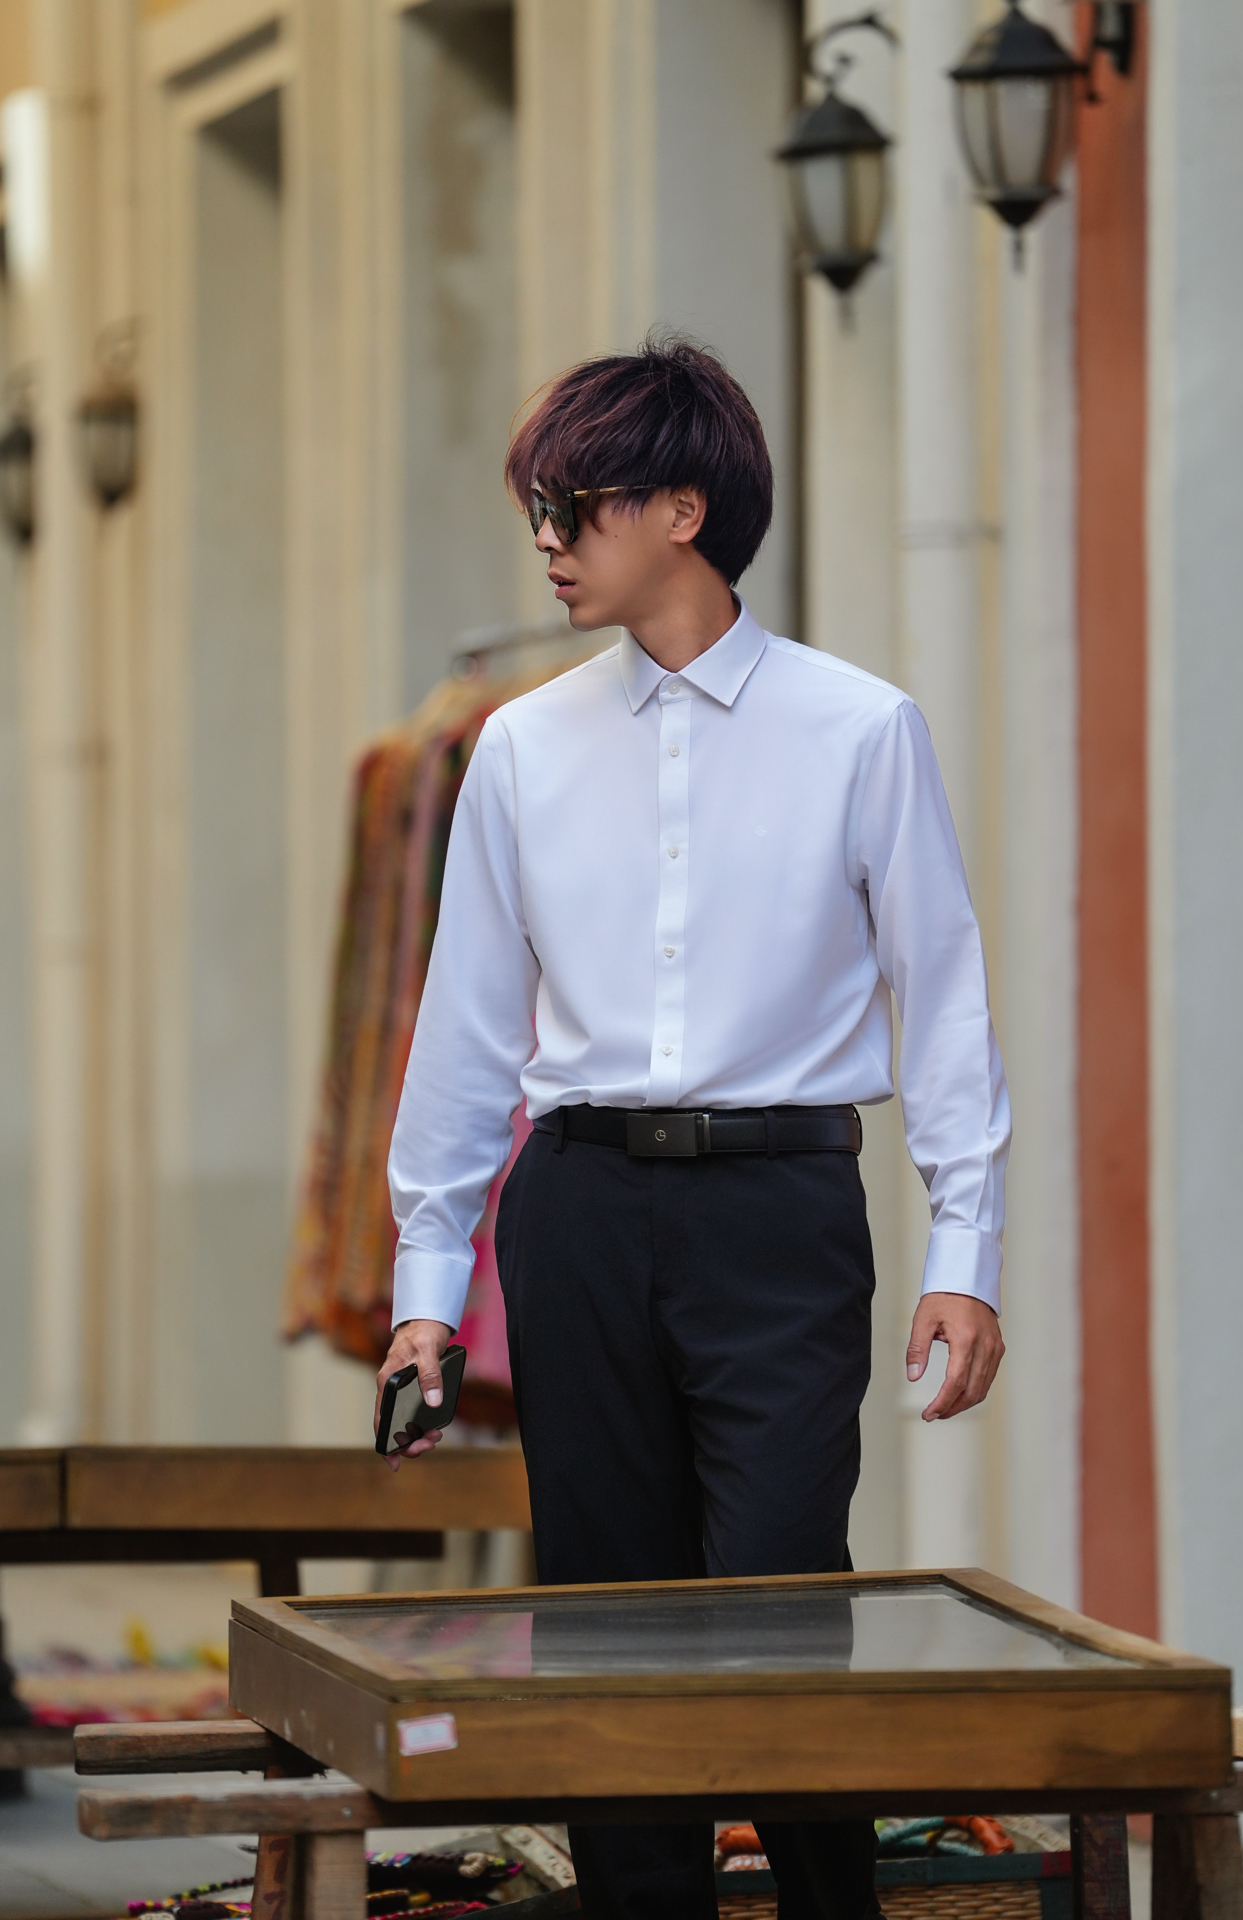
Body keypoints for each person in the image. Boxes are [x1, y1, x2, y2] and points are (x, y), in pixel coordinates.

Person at [378, 337, 1011, 1920]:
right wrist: (425, 1290)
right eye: (537, 507)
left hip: (779, 1210)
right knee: (603, 1614)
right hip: (577, 1207)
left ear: (682, 510)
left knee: (781, 1590)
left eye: (573, 504)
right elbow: (465, 1029)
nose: (545, 539)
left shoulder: (858, 728)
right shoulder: (520, 747)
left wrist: (966, 1248)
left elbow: (941, 995)